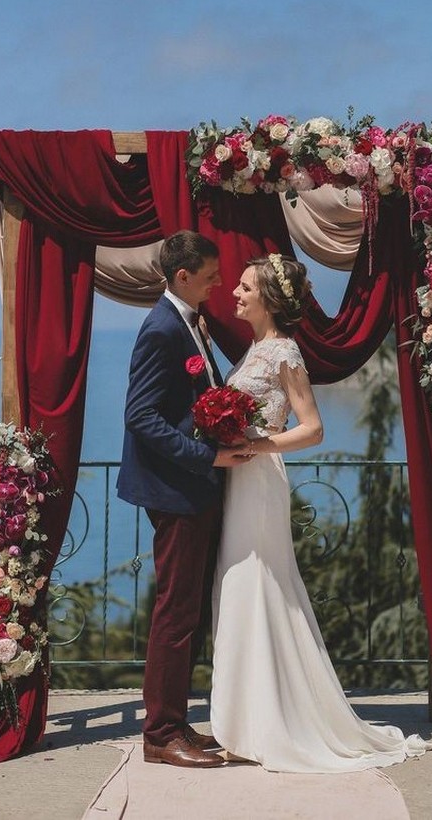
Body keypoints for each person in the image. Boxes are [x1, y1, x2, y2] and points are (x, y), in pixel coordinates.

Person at [210, 253, 432, 772]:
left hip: (259, 480)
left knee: (258, 584)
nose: (235, 294)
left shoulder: (284, 351)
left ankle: (271, 721)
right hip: (240, 477)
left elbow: (312, 428)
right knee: (241, 586)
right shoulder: (256, 347)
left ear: (267, 298)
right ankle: (245, 719)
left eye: (244, 288)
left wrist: (260, 446)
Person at [117, 230, 251, 769]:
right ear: (183, 277)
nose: (220, 281)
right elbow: (141, 416)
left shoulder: (188, 322)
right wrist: (208, 458)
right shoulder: (161, 329)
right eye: (212, 273)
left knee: (189, 610)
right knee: (176, 614)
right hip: (176, 491)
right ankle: (160, 734)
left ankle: (176, 721)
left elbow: (189, 401)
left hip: (192, 490)